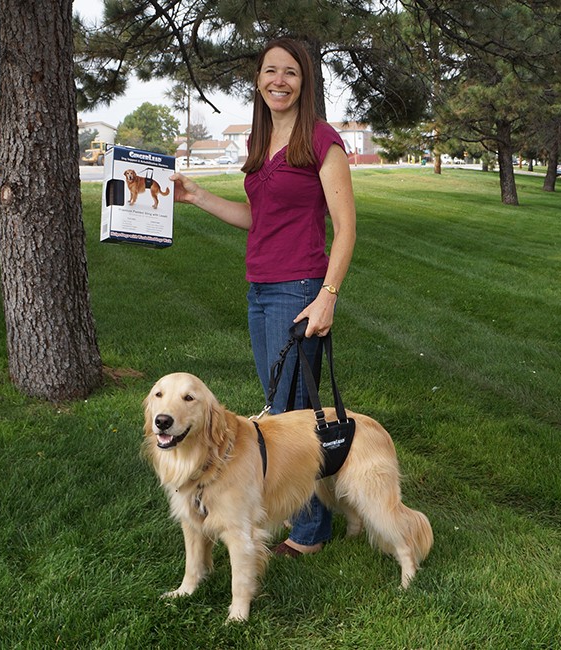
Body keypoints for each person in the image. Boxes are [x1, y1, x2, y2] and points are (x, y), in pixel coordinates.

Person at [169, 38, 356, 557]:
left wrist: (327, 297)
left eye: (290, 72)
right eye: (270, 70)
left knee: (292, 416)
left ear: (305, 82)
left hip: (297, 289)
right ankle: (314, 516)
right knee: (286, 409)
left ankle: (311, 532)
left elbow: (345, 229)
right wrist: (196, 197)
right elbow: (259, 218)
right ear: (258, 79)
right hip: (260, 290)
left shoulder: (321, 139)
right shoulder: (260, 141)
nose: (279, 80)